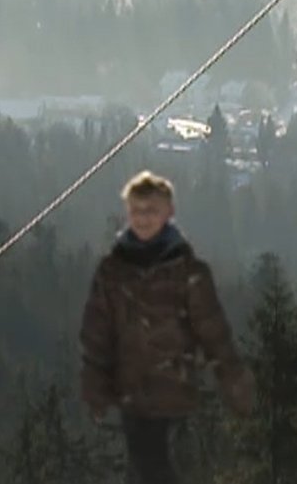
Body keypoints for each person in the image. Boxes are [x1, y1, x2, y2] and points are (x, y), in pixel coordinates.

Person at [80, 171, 255, 483]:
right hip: (131, 385)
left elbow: (212, 330)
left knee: (151, 461)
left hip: (171, 383)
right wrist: (95, 381)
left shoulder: (187, 270)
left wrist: (233, 379)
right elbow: (98, 331)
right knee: (141, 464)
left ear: (168, 212)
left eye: (152, 211)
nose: (143, 219)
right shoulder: (113, 270)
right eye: (136, 211)